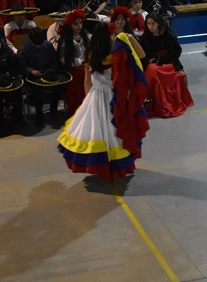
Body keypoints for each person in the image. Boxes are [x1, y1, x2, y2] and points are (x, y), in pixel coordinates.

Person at [57, 22, 148, 181]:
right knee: (115, 133)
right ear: (108, 37)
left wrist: (87, 101)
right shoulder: (117, 55)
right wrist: (131, 38)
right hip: (113, 99)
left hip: (95, 96)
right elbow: (141, 55)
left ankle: (102, 167)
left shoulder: (90, 55)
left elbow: (87, 81)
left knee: (96, 133)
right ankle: (116, 166)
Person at [139, 13, 193, 118]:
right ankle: (151, 101)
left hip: (169, 62)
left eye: (153, 24)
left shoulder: (168, 34)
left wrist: (162, 60)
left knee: (155, 70)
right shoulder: (146, 35)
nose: (150, 26)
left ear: (158, 24)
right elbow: (143, 53)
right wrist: (148, 60)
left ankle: (161, 103)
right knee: (152, 69)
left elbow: (176, 52)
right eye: (148, 23)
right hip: (152, 63)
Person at [56, 10, 89, 117]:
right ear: (70, 25)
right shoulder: (65, 40)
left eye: (80, 23)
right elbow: (63, 59)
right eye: (75, 24)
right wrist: (79, 61)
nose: (79, 26)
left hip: (87, 70)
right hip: (73, 73)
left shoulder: (86, 37)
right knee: (75, 96)